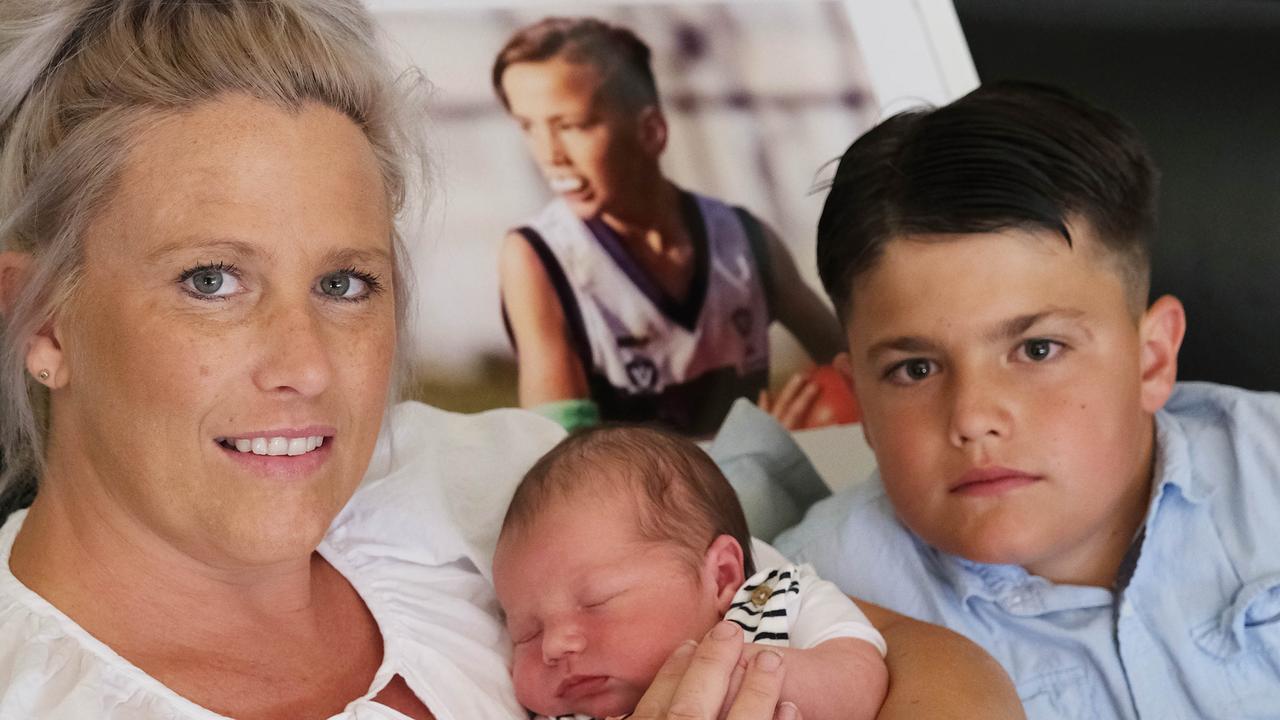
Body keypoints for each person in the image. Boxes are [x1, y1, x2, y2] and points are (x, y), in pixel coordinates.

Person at [0, 1, 1023, 719]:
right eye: (212, 280)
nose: (305, 365)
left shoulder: (491, 481)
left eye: (345, 284)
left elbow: (934, 667)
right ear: (39, 321)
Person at [773, 81, 1280, 718]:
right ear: (860, 403)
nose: (972, 418)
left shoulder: (1268, 470)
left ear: (1152, 359)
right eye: (915, 368)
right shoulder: (801, 601)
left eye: (1038, 350)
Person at [493, 17, 846, 436]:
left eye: (571, 126)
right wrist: (748, 457)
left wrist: (828, 411)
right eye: (529, 128)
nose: (550, 154)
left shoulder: (745, 241)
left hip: (759, 493)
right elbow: (559, 454)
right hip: (638, 501)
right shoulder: (538, 258)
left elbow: (854, 364)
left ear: (651, 131)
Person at [492, 425, 888, 720]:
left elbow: (862, 675)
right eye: (526, 633)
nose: (554, 646)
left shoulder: (777, 600)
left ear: (720, 576)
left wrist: (758, 677)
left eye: (598, 600)